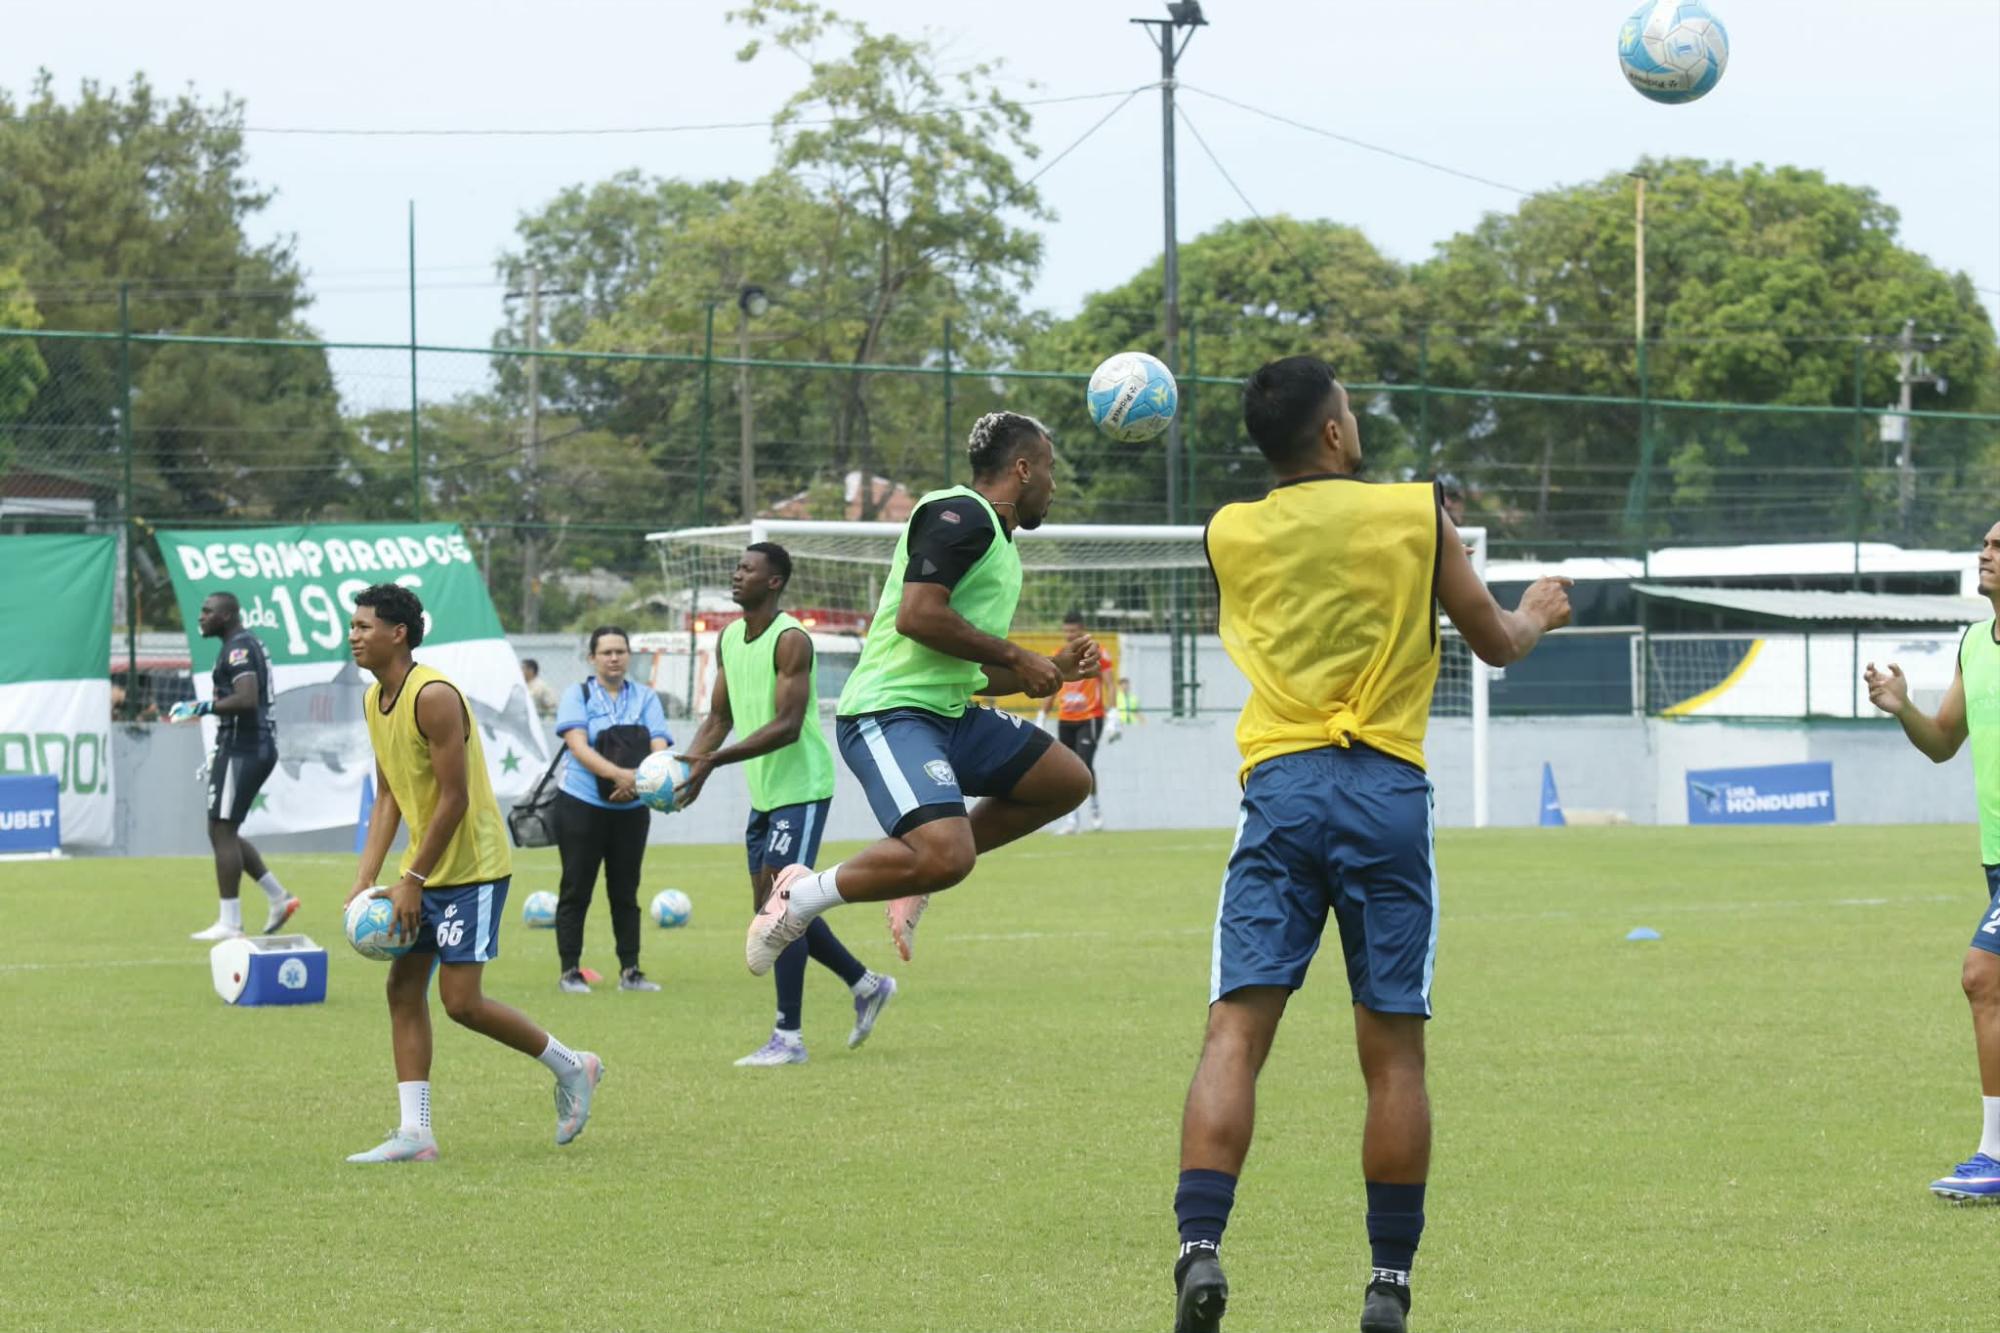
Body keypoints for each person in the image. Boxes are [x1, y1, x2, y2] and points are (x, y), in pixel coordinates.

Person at [1169, 357, 1571, 1333]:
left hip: (1281, 788)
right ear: (1335, 433)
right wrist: (1539, 613)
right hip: (1384, 788)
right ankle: (1386, 1282)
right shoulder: (1410, 510)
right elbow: (1492, 640)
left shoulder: (1228, 530)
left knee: (1234, 1031)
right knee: (1391, 1051)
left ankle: (1200, 1250)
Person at [742, 411, 1098, 973]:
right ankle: (800, 896)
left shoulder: (1001, 548)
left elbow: (974, 669)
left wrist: (1049, 667)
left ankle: (919, 876)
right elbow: (917, 616)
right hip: (889, 712)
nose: (1054, 485)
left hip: (950, 715)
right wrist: (1016, 654)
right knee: (949, 856)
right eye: (1050, 470)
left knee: (1066, 781)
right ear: (1024, 469)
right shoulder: (960, 514)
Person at [342, 582, 602, 1163]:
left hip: (473, 870)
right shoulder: (372, 698)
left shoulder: (433, 695)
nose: (353, 636)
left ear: (397, 633)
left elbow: (454, 799)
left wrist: (411, 878)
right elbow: (387, 795)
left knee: (461, 1002)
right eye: (354, 626)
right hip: (425, 869)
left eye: (363, 627)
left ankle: (573, 1066)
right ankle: (416, 1134)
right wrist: (366, 878)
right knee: (403, 988)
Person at [676, 542, 897, 1066]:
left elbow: (786, 726)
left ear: (773, 582)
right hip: (764, 789)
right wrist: (687, 770)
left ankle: (789, 1038)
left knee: (785, 904)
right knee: (770, 911)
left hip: (801, 786)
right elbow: (718, 718)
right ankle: (865, 984)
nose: (736, 575)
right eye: (737, 567)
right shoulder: (729, 638)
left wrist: (714, 762)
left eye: (747, 569)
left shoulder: (792, 639)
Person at [1866, 519, 2000, 1201]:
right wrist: (1902, 707)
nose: (1986, 553)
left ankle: (1994, 1154)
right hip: (1996, 860)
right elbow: (1944, 741)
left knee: (1982, 976)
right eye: (1986, 543)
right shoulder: (1976, 642)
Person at [169, 592, 297, 941]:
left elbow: (246, 698)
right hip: (246, 746)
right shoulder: (243, 643)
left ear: (225, 616)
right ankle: (277, 896)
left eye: (207, 611)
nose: (201, 617)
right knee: (223, 829)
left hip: (244, 747)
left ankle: (230, 922)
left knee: (221, 830)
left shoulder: (238, 648)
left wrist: (201, 708)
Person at [552, 627, 672, 994]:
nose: (614, 658)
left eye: (620, 651)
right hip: (581, 804)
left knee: (625, 890)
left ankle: (631, 971)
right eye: (606, 652)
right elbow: (578, 747)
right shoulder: (578, 695)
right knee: (576, 887)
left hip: (632, 808)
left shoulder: (647, 697)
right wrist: (623, 775)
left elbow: (659, 746)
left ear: (629, 656)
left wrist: (636, 783)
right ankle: (570, 970)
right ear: (592, 658)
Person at [1037, 608, 1118, 834]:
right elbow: (1052, 689)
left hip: (1091, 717)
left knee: (1084, 764)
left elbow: (1110, 684)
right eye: (1066, 632)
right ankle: (1072, 820)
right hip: (1066, 719)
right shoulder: (1060, 653)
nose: (1070, 636)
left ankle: (1095, 811)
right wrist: (1042, 716)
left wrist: (1113, 715)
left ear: (1082, 629)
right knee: (1068, 770)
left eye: (1073, 631)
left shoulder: (1099, 652)